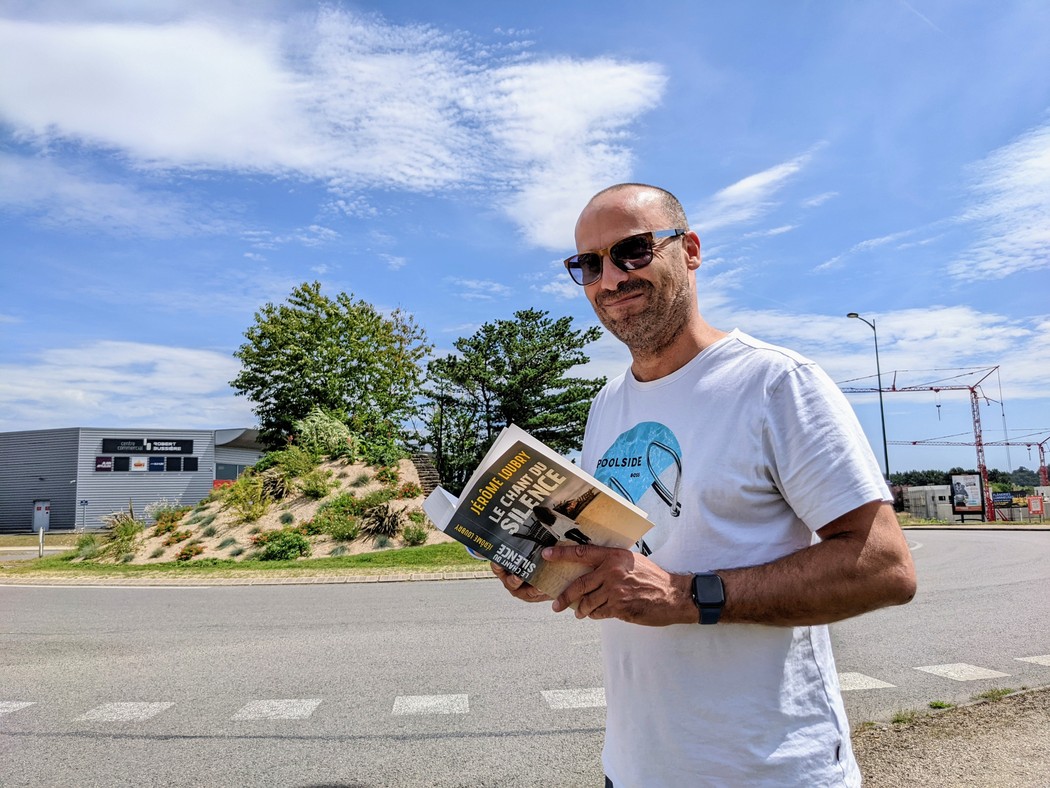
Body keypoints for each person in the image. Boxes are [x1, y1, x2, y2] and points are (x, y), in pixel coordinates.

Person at [492, 183, 917, 787]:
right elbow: (627, 561)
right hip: (634, 770)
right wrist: (547, 570)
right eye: (588, 264)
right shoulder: (607, 406)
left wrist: (685, 596)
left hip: (769, 772)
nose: (609, 279)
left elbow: (885, 567)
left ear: (689, 250)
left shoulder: (777, 383)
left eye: (633, 251)